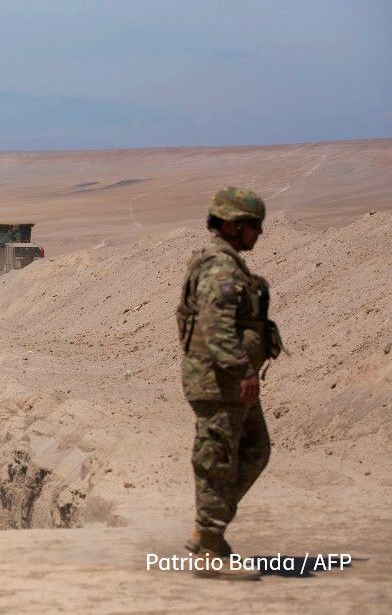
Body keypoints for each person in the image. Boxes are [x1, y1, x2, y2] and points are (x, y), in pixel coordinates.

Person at [176, 187, 283, 581]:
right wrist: (243, 370)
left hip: (229, 381)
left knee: (255, 450)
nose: (258, 233)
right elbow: (217, 327)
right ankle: (208, 550)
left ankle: (208, 531)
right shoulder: (220, 267)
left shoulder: (230, 264)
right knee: (216, 459)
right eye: (254, 226)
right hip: (219, 381)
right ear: (232, 226)